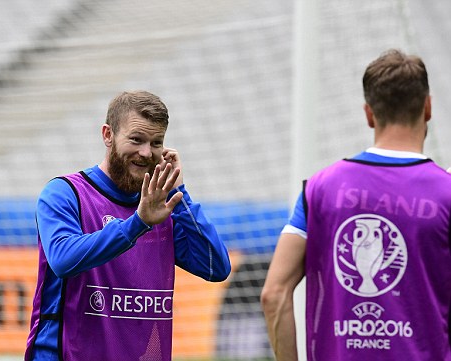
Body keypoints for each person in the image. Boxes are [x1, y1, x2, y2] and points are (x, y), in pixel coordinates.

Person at [261, 49, 451, 360]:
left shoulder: (318, 190)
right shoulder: (445, 192)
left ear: (368, 114)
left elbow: (274, 295)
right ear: (428, 107)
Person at [24, 90, 231, 361]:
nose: (146, 153)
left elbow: (216, 267)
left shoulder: (163, 208)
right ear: (107, 135)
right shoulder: (64, 193)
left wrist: (180, 194)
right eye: (136, 139)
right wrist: (138, 224)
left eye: (156, 143)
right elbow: (63, 260)